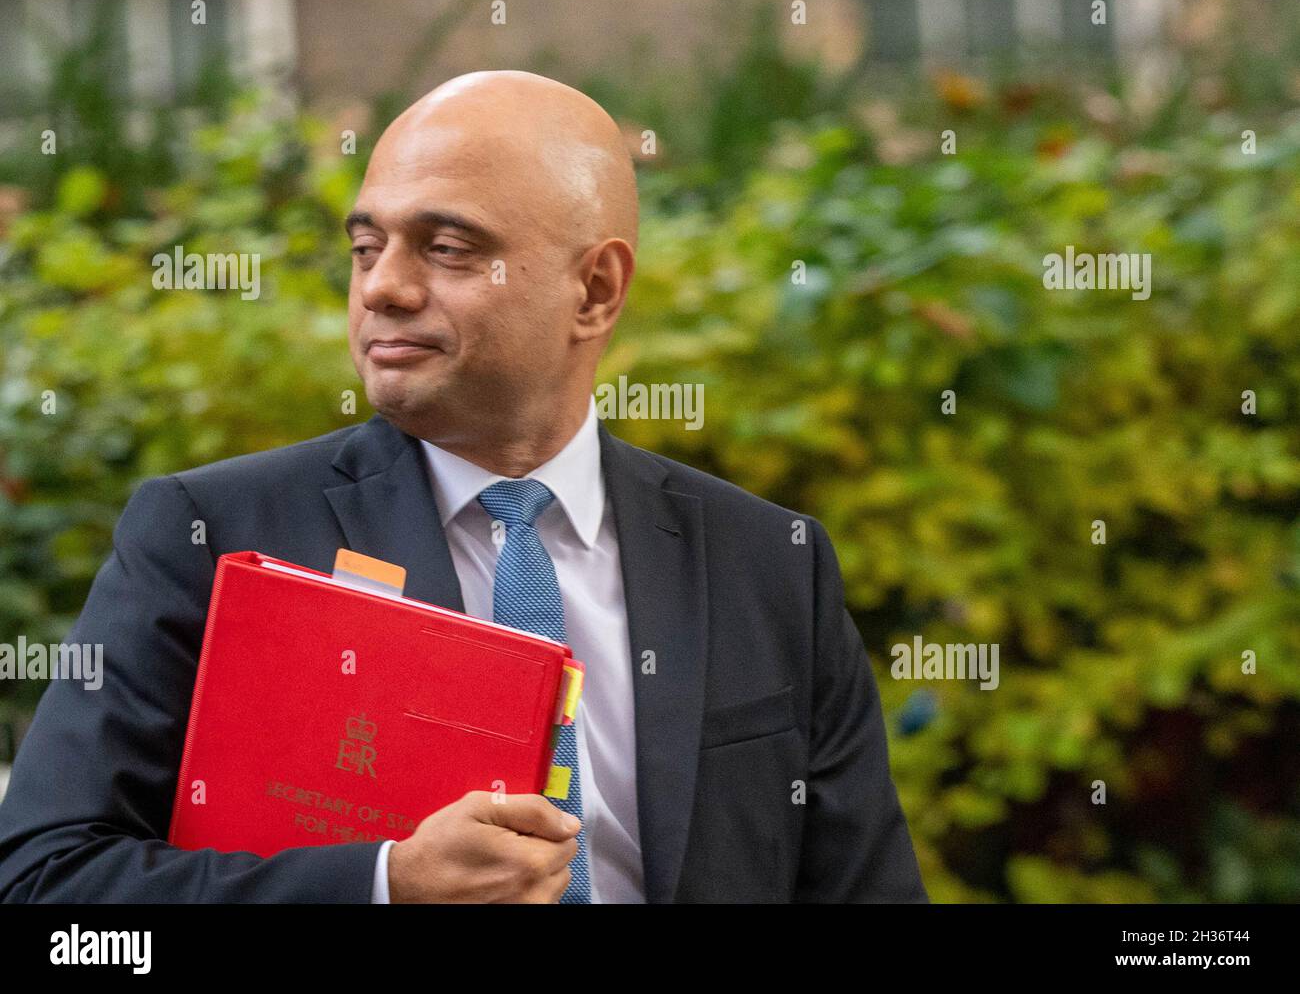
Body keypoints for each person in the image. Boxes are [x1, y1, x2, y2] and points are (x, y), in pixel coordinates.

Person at [0, 71, 927, 903]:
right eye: (366, 249)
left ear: (596, 289)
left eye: (445, 248)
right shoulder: (209, 532)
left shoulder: (770, 564)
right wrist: (380, 885)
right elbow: (47, 883)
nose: (383, 290)